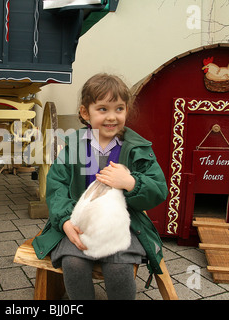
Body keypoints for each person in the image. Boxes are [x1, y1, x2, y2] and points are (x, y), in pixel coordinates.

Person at [32, 73, 168, 299]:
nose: (112, 117)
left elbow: (158, 189)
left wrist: (131, 183)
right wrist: (65, 221)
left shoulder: (136, 149)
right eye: (103, 109)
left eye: (119, 109)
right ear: (86, 112)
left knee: (118, 267)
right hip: (80, 224)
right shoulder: (74, 147)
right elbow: (57, 186)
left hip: (122, 227)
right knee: (73, 263)